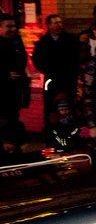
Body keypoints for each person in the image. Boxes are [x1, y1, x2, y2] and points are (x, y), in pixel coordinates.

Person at [32, 14, 81, 120]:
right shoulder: (43, 42)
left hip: (68, 79)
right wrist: (47, 70)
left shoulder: (70, 40)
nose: (59, 25)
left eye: (60, 22)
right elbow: (36, 60)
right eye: (56, 23)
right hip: (51, 80)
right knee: (50, 105)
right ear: (48, 25)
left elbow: (76, 58)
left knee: (69, 104)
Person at [0, 13, 30, 152]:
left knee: (13, 122)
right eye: (9, 26)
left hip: (14, 93)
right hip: (2, 94)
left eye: (14, 26)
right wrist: (6, 75)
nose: (13, 29)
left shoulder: (16, 41)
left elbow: (22, 59)